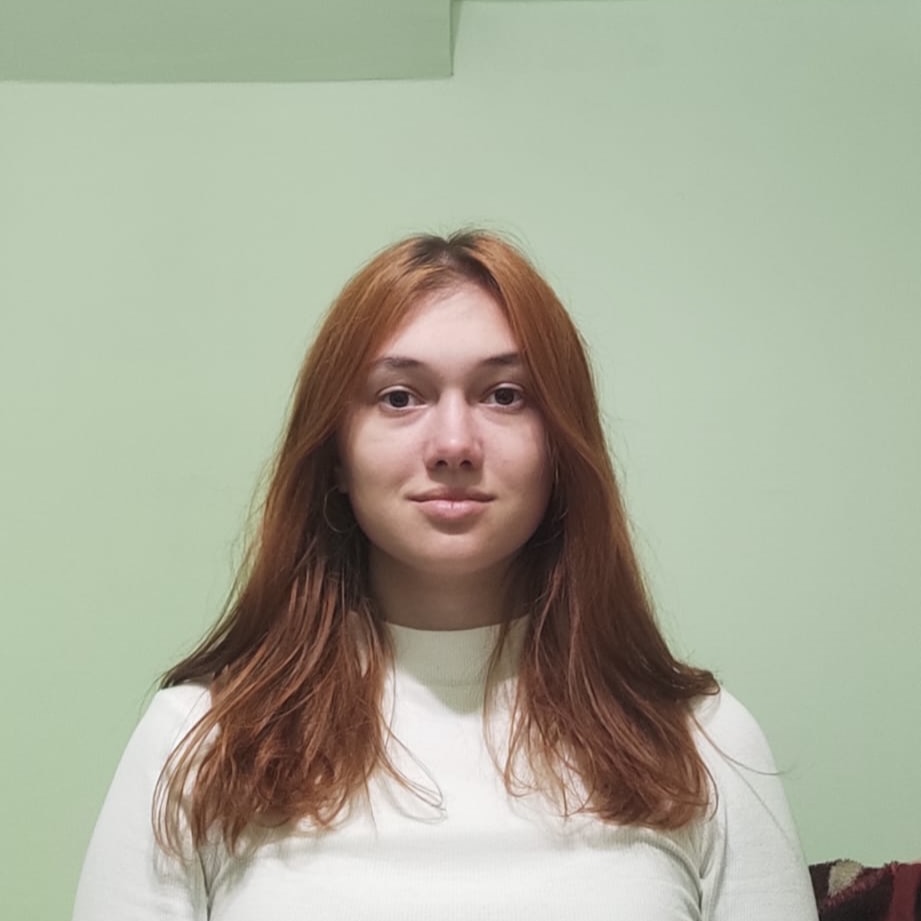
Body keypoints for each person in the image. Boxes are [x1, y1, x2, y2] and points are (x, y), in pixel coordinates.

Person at [72, 229, 819, 920]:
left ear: (561, 449)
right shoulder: (196, 742)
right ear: (335, 455)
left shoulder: (703, 744)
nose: (454, 443)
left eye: (504, 395)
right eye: (400, 397)